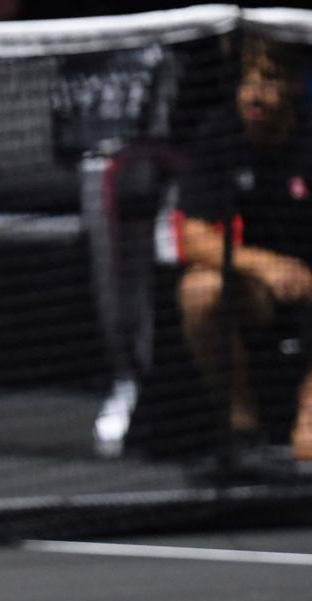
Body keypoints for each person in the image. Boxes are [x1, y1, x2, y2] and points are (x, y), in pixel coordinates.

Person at [175, 35, 312, 463]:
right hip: (261, 285)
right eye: (246, 81)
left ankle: (307, 416)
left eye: (268, 79)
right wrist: (267, 265)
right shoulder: (219, 133)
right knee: (199, 291)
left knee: (307, 449)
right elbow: (192, 237)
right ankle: (243, 424)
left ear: (293, 83)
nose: (255, 94)